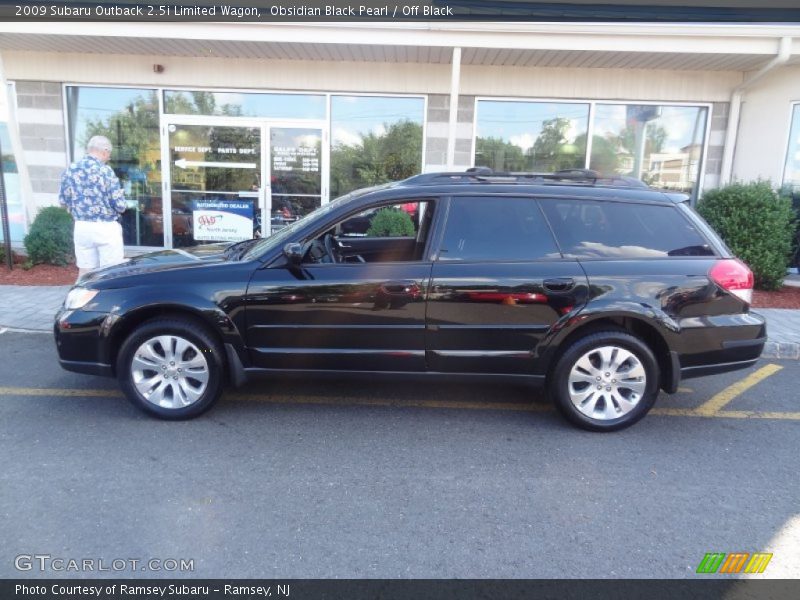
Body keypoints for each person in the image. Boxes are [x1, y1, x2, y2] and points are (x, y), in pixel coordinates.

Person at [59, 135, 127, 278]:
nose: (109, 157)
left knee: (85, 272)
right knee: (110, 272)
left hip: (82, 226)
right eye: (109, 154)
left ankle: (82, 293)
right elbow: (120, 206)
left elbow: (63, 200)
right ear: (104, 151)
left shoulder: (71, 169)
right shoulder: (105, 171)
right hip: (105, 227)